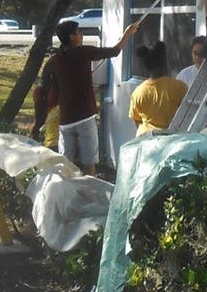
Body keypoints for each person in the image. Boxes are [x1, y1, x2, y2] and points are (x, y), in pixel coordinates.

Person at [45, 19, 140, 175]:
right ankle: (90, 194)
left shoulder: (56, 60)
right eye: (79, 32)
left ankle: (69, 194)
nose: (81, 35)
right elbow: (114, 51)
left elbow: (55, 90)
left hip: (66, 121)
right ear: (72, 37)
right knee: (89, 163)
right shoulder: (83, 52)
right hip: (85, 117)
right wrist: (128, 33)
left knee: (67, 166)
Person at [129, 41, 188, 136]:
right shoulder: (179, 87)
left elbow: (137, 121)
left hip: (144, 139)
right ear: (165, 63)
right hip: (171, 139)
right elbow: (187, 113)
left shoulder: (138, 92)